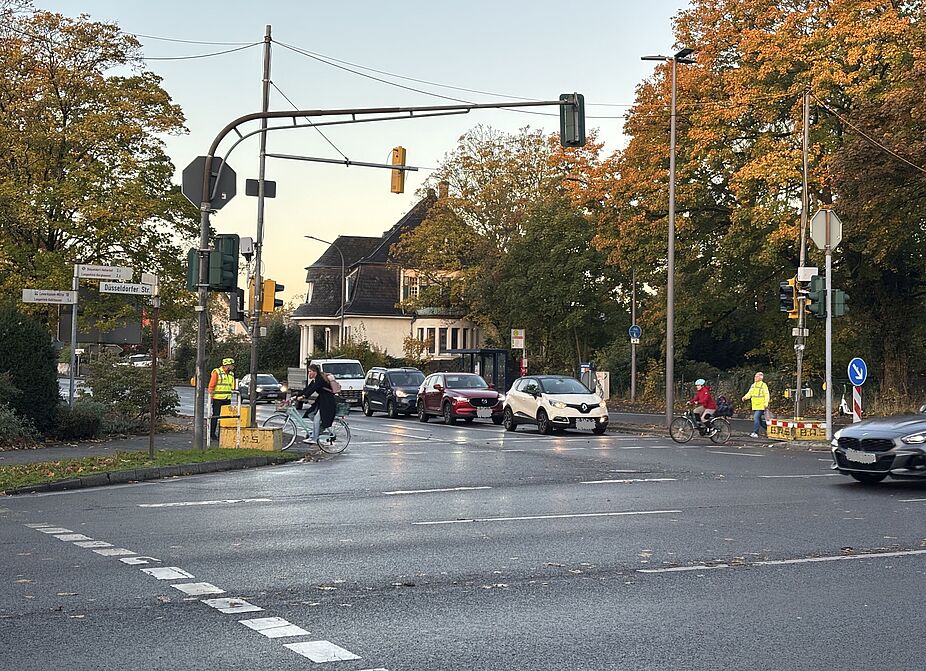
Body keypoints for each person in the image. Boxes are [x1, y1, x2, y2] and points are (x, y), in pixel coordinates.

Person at [297, 363, 337, 443]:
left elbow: (313, 389)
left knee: (316, 419)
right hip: (322, 401)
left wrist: (304, 396)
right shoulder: (315, 380)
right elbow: (308, 388)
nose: (309, 373)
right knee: (311, 414)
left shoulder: (320, 380)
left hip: (327, 402)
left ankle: (314, 438)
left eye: (310, 371)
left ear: (315, 372)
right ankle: (319, 430)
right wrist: (296, 395)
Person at [208, 357, 235, 440]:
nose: (233, 366)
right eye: (232, 365)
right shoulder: (217, 372)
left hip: (227, 398)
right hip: (218, 398)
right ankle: (212, 434)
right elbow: (212, 385)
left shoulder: (231, 374)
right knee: (215, 416)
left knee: (225, 418)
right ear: (227, 365)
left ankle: (223, 434)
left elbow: (231, 386)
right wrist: (211, 396)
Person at [742, 371, 770, 438]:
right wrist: (745, 397)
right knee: (759, 420)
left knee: (756, 417)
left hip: (761, 405)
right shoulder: (753, 385)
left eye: (757, 376)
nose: (755, 377)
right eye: (755, 376)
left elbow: (766, 395)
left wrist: (766, 403)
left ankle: (755, 432)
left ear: (761, 378)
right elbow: (750, 393)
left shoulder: (763, 385)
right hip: (755, 405)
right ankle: (769, 430)